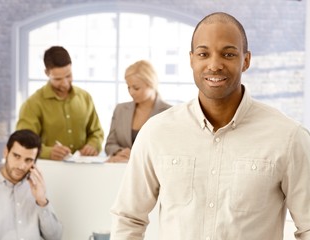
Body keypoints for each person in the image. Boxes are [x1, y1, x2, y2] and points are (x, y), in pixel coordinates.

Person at [110, 12, 310, 239]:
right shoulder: (156, 132)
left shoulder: (288, 137)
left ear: (246, 60)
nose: (214, 65)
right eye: (204, 54)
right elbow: (128, 218)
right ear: (192, 59)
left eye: (228, 54)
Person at [0, 129, 62, 240]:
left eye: (28, 160)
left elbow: (55, 237)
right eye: (16, 156)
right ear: (6, 152)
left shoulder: (37, 189)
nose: (21, 166)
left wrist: (42, 201)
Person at [16, 46, 104, 160]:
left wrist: (93, 145)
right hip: (49, 170)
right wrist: (48, 152)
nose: (65, 83)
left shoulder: (85, 97)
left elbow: (97, 132)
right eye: (58, 79)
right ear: (47, 73)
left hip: (84, 170)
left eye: (68, 76)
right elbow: (24, 143)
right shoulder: (32, 104)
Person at [105, 60, 171, 163]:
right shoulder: (120, 110)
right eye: (128, 87)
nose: (131, 92)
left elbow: (170, 150)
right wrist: (119, 151)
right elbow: (110, 144)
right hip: (121, 171)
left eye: (136, 88)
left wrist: (138, 156)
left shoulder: (169, 113)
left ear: (151, 84)